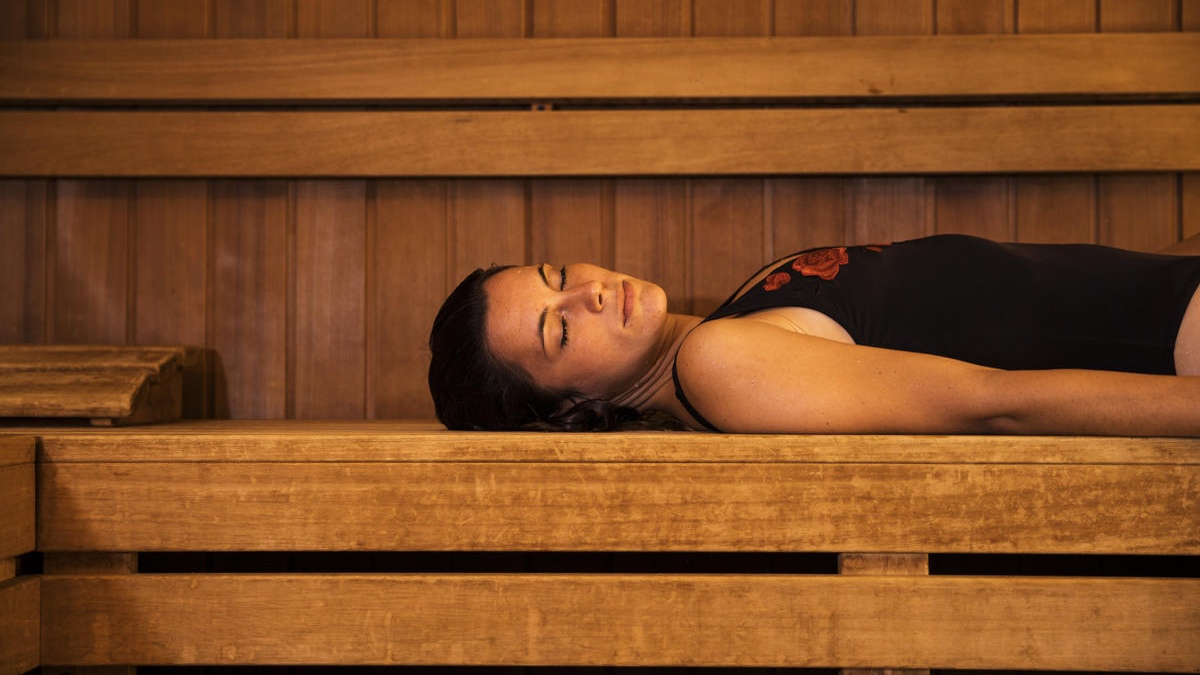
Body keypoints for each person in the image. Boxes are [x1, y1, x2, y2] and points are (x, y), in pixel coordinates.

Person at [428, 233, 1200, 435]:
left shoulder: (728, 325)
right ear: (569, 407)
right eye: (559, 331)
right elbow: (992, 400)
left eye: (559, 274)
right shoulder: (719, 362)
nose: (590, 292)